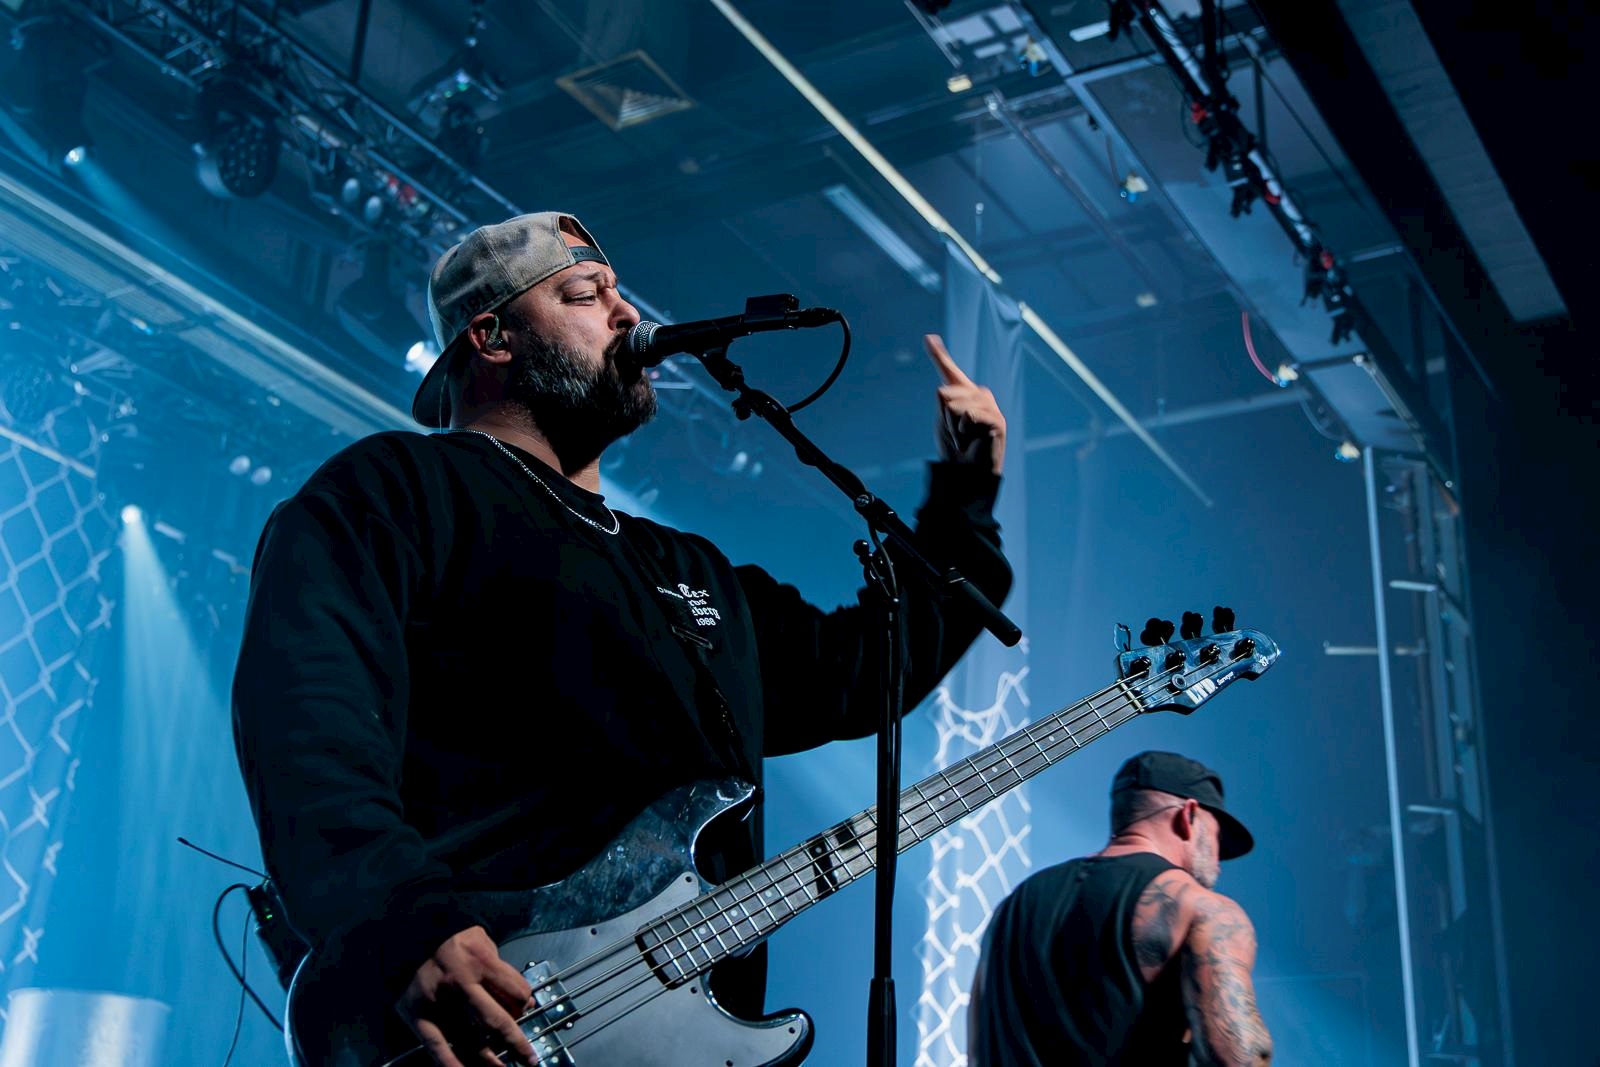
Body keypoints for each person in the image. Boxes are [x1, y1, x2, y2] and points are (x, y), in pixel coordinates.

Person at [231, 211, 1013, 1066]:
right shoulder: (398, 490)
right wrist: (400, 920)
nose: (628, 312)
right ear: (491, 336)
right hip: (480, 1022)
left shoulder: (687, 568)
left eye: (618, 290)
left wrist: (966, 494)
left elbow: (865, 670)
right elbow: (305, 711)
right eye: (584, 293)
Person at [968, 751, 1272, 1066]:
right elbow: (1240, 1057)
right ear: (1189, 815)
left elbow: (977, 1052)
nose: (1219, 861)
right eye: (1217, 837)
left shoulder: (1010, 909)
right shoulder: (1202, 910)